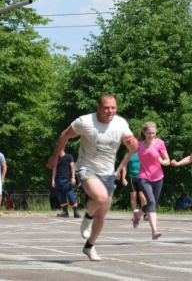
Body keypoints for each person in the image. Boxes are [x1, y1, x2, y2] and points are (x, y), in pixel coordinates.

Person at [47, 93, 138, 261]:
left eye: (113, 108)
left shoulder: (121, 123)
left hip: (107, 173)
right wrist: (54, 157)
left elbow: (133, 147)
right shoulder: (85, 121)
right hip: (87, 169)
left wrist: (133, 144)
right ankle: (87, 217)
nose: (110, 111)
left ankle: (89, 246)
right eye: (106, 108)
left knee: (101, 215)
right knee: (100, 196)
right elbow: (64, 135)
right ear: (99, 108)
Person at [116, 121, 170, 240]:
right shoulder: (138, 144)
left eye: (153, 133)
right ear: (144, 133)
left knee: (152, 204)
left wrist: (162, 161)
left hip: (158, 177)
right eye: (149, 133)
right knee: (150, 202)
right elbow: (127, 158)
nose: (151, 135)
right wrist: (118, 171)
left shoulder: (160, 143)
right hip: (143, 177)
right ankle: (154, 230)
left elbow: (168, 161)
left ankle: (138, 215)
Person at [52, 150, 80, 218]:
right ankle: (65, 212)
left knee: (70, 195)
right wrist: (53, 179)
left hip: (67, 179)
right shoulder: (56, 158)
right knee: (61, 196)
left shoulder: (69, 157)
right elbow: (54, 169)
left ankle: (76, 212)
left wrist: (73, 177)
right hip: (58, 179)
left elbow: (72, 167)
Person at [121, 152, 147, 219]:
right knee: (133, 196)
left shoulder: (142, 152)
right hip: (132, 177)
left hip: (142, 177)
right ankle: (135, 214)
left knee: (142, 196)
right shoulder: (128, 153)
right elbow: (124, 166)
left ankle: (144, 213)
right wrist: (123, 178)